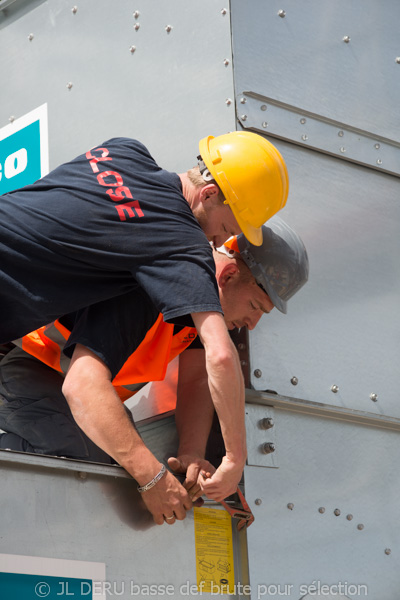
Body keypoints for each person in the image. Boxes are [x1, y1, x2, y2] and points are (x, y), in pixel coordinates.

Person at [0, 132, 288, 504]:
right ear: (209, 194)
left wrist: (189, 453)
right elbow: (218, 355)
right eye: (227, 229)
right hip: (35, 369)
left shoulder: (124, 151)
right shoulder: (179, 246)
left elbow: (201, 371)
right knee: (78, 477)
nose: (218, 242)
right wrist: (234, 459)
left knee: (112, 471)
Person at [0, 217, 309, 525]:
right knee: (76, 464)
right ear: (228, 275)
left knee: (117, 485)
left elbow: (198, 377)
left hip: (84, 393)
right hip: (31, 366)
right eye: (255, 306)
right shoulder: (160, 278)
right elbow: (83, 383)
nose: (253, 324)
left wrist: (190, 454)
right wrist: (154, 479)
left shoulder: (203, 309)